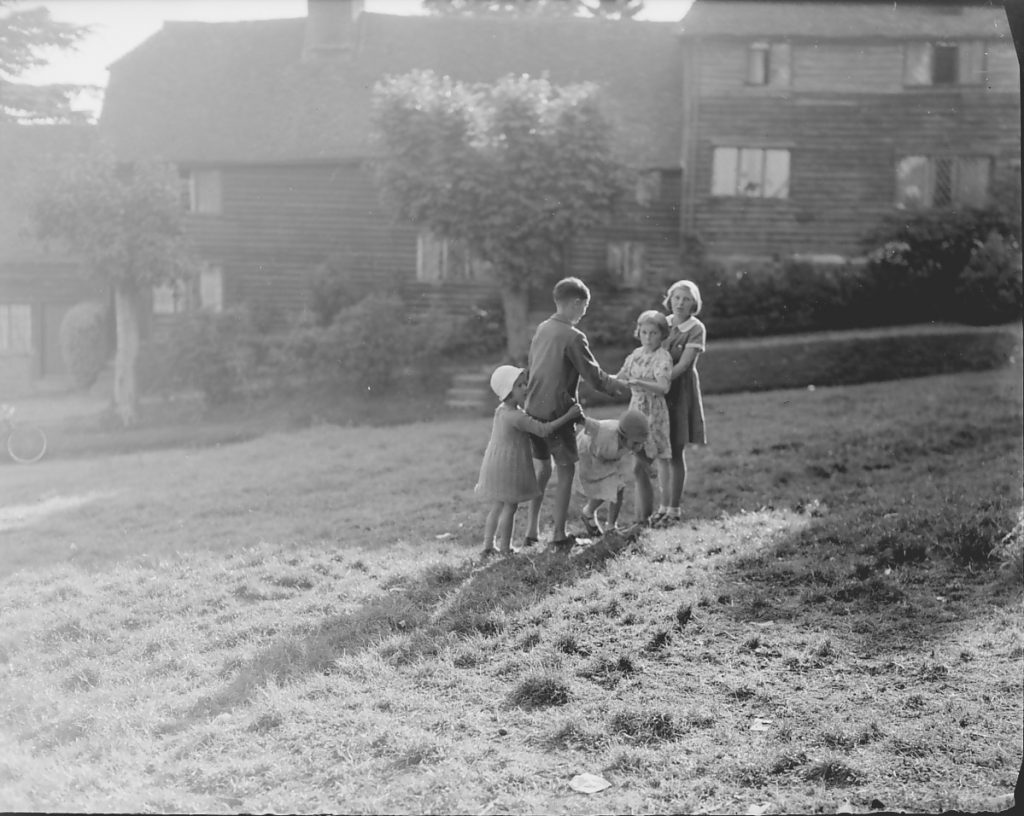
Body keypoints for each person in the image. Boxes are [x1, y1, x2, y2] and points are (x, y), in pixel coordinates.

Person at [523, 277, 629, 553]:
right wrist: (621, 386)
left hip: (532, 411)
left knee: (543, 468)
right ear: (576, 303)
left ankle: (531, 530)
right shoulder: (573, 336)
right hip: (559, 413)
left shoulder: (543, 328)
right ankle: (558, 534)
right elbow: (594, 377)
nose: (584, 313)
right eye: (584, 307)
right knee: (567, 470)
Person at [475, 364, 582, 559]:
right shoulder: (516, 417)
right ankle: (505, 548)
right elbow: (544, 430)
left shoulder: (501, 411)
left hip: (495, 462)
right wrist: (569, 416)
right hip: (508, 466)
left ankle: (488, 545)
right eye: (520, 385)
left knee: (498, 505)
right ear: (508, 391)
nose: (526, 388)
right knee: (510, 506)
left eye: (525, 383)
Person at [615, 310, 673, 525]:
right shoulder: (636, 354)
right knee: (638, 465)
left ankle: (643, 519)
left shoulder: (662, 357)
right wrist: (597, 378)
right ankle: (641, 519)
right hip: (635, 411)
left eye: (653, 333)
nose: (648, 337)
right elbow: (620, 378)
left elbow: (663, 387)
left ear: (662, 335)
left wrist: (639, 382)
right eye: (644, 332)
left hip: (653, 413)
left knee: (641, 465)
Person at [659, 279, 707, 527]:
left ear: (694, 304)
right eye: (677, 297)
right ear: (670, 299)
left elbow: (684, 364)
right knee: (660, 451)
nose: (680, 303)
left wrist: (661, 382)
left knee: (675, 451)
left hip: (679, 391)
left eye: (686, 299)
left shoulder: (696, 328)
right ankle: (662, 506)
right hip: (657, 392)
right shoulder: (661, 323)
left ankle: (674, 509)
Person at [576, 409, 650, 536]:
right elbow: (589, 424)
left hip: (604, 458)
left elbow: (639, 452)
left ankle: (610, 526)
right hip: (587, 455)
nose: (638, 446)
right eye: (636, 443)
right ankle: (589, 512)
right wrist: (577, 416)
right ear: (622, 435)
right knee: (608, 487)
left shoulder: (631, 442)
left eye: (640, 443)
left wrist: (648, 466)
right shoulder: (606, 433)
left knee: (617, 488)